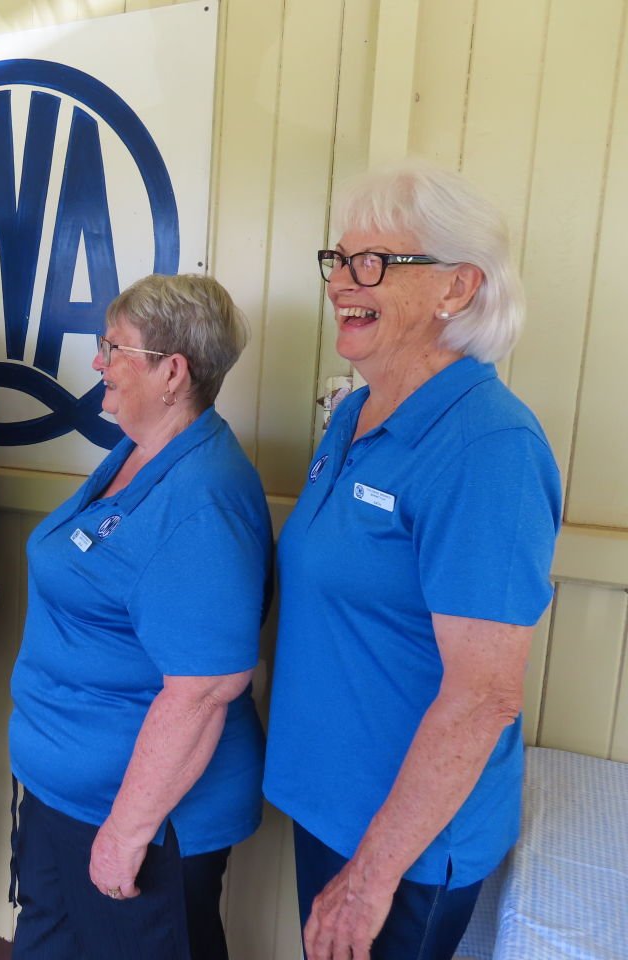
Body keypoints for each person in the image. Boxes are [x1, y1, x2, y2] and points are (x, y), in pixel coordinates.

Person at [263, 161, 562, 960]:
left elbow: (484, 694)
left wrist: (372, 875)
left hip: (404, 846)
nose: (342, 284)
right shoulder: (358, 411)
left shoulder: (490, 447)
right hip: (331, 802)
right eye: (340, 260)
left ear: (456, 288)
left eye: (375, 263)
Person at [8, 274, 272, 959]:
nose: (98, 362)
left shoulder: (202, 500)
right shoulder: (137, 454)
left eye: (114, 346)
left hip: (138, 818)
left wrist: (126, 834)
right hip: (64, 790)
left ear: (172, 372)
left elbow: (205, 689)